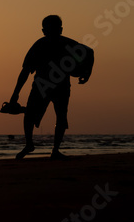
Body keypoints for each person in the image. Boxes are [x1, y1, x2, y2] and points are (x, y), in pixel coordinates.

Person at [9, 15, 93, 160]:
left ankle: (53, 150)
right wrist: (86, 73)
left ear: (59, 29)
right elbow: (25, 71)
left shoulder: (59, 44)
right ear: (44, 30)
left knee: (58, 117)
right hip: (45, 86)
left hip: (56, 87)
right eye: (50, 29)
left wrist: (86, 72)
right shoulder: (43, 45)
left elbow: (89, 52)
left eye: (54, 28)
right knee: (34, 115)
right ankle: (33, 145)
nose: (52, 31)